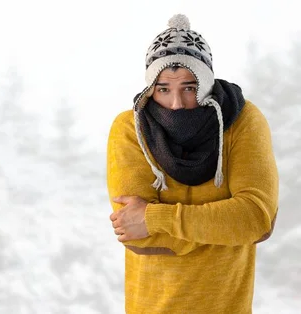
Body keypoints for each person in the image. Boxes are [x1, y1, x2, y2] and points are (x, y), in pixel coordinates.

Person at [106, 14, 279, 313]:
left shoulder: (242, 121)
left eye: (189, 87)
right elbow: (136, 236)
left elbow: (255, 219)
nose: (176, 103)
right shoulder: (129, 128)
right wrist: (224, 227)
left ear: (207, 82)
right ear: (150, 88)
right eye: (163, 89)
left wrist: (154, 218)